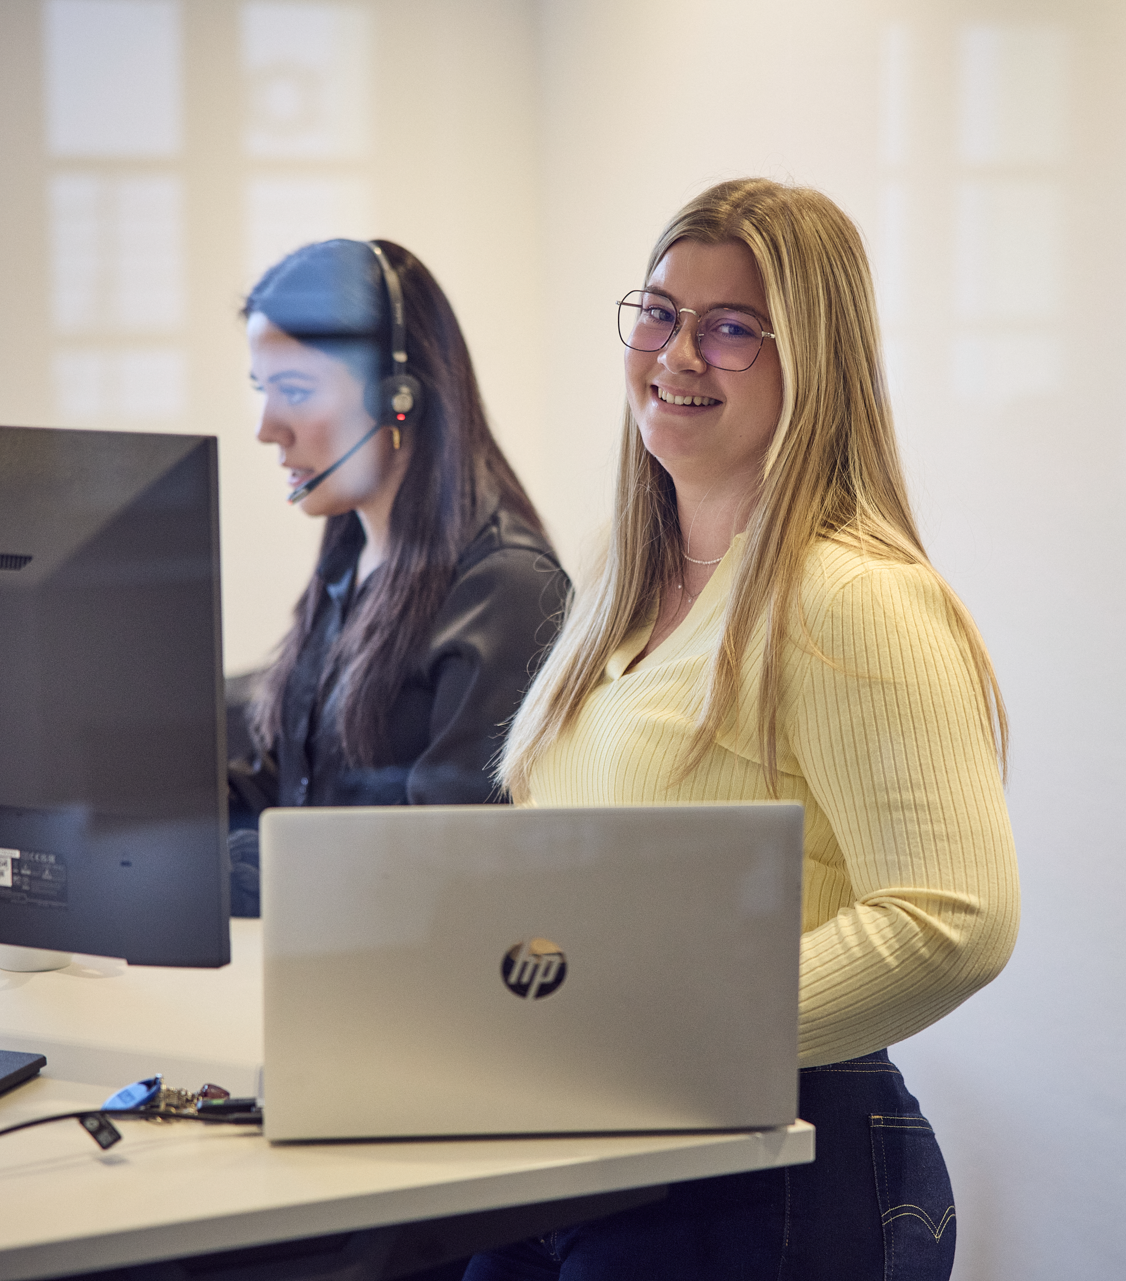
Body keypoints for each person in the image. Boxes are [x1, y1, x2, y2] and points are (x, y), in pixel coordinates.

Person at [477, 180, 1020, 1279]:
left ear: (813, 363)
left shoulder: (850, 595)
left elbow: (954, 919)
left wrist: (675, 1027)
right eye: (659, 314)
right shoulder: (621, 586)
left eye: (731, 330)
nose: (677, 355)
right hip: (594, 1143)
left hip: (771, 1166)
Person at [228, 239, 569, 915]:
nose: (268, 429)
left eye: (294, 391)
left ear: (398, 398)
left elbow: (439, 860)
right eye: (264, 392)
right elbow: (290, 786)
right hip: (317, 948)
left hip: (405, 964)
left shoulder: (505, 588)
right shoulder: (350, 553)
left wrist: (236, 869)